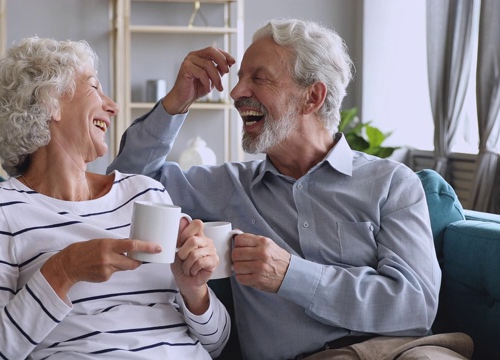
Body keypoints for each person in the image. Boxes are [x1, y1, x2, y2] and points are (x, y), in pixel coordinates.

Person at [108, 18, 474, 359]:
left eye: (259, 78)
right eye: (239, 78)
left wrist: (290, 275)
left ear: (312, 97)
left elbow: (415, 306)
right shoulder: (228, 187)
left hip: (403, 351)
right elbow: (125, 187)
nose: (236, 92)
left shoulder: (393, 183)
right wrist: (177, 102)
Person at [0, 36, 230, 360]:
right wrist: (64, 270)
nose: (113, 106)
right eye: (95, 87)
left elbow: (217, 343)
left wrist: (194, 289)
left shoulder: (145, 191)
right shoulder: (0, 209)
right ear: (49, 101)